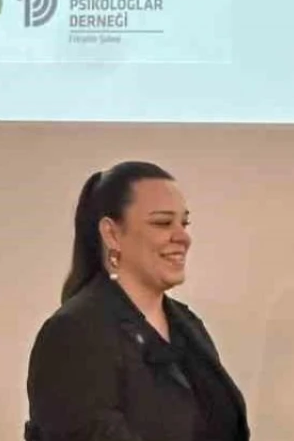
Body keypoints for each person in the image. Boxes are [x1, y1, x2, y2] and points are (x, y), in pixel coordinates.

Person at [24, 161, 250, 441]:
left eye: (184, 223)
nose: (183, 237)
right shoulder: (74, 333)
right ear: (112, 234)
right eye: (162, 223)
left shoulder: (188, 325)